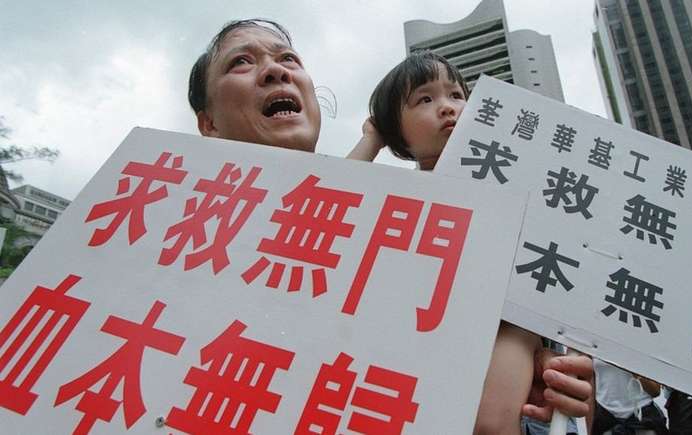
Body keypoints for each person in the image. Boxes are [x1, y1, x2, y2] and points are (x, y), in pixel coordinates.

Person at [188, 18, 593, 432]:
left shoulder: (508, 194)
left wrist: (546, 361)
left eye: (288, 58)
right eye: (242, 62)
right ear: (208, 124)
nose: (449, 107)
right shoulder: (185, 241)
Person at [347, 51, 589, 434]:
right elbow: (334, 199)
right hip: (433, 346)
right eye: (425, 99)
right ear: (397, 134)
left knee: (492, 420)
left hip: (510, 328)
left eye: (456, 95)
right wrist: (372, 139)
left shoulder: (511, 174)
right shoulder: (400, 194)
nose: (447, 108)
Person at [588, 358, 667, 435]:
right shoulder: (595, 347)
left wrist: (630, 365)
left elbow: (655, 391)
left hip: (642, 419)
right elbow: (589, 387)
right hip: (605, 419)